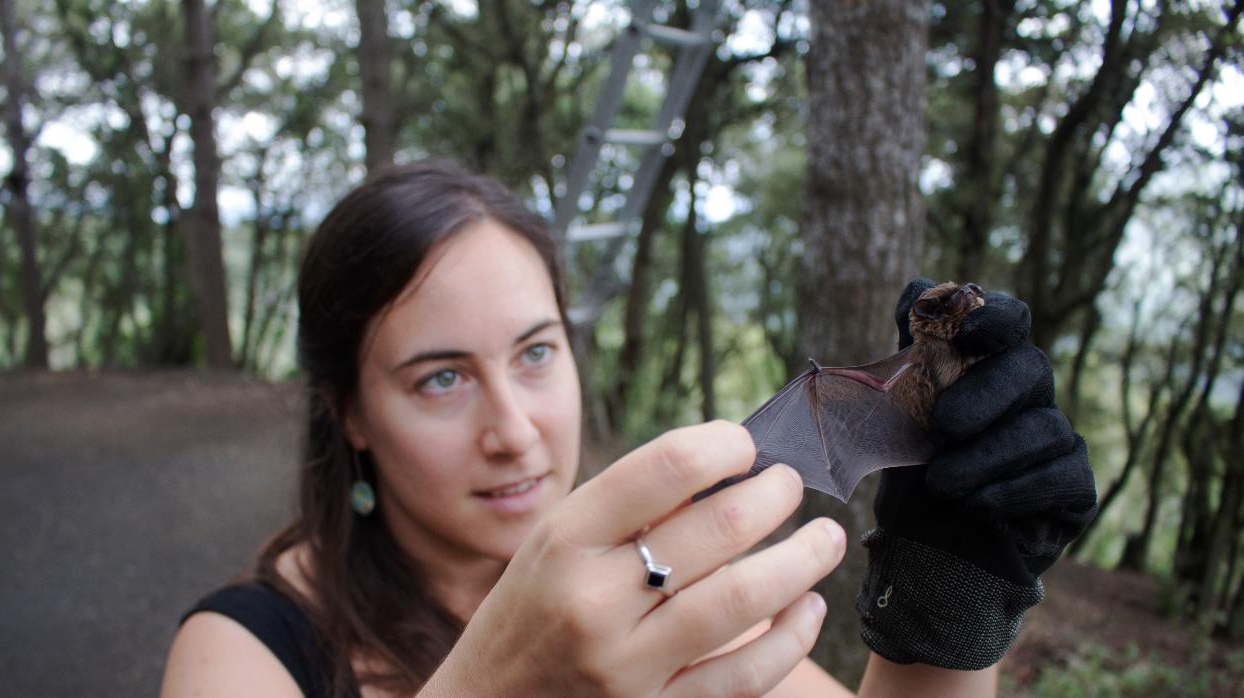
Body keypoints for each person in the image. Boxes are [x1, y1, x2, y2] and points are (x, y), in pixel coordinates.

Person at [160, 161, 1095, 697]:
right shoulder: (245, 651)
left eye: (535, 353)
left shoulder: (653, 574)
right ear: (348, 412)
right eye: (441, 378)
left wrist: (950, 610)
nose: (516, 432)